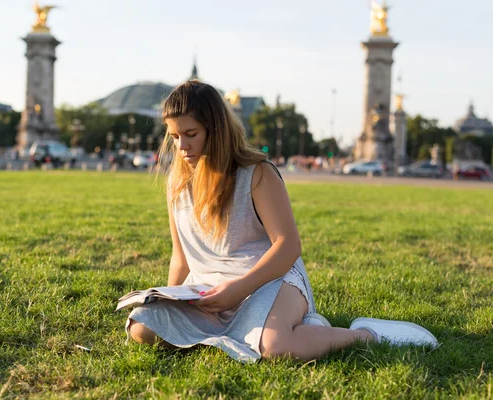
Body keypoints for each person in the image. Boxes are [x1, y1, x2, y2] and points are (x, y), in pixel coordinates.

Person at [126, 80, 437, 363]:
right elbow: (180, 257)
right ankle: (282, 331)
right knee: (143, 329)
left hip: (268, 281)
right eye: (175, 136)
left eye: (191, 134)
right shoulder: (176, 184)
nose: (182, 147)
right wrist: (171, 296)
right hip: (208, 290)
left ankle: (367, 334)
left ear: (215, 128)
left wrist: (237, 290)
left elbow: (288, 246)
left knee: (276, 347)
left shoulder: (257, 173)